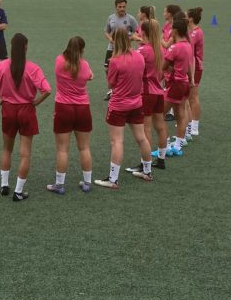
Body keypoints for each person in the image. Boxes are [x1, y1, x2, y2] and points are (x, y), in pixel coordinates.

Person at [0, 33, 51, 202]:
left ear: (11, 47)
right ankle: (18, 191)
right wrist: (36, 102)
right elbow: (47, 90)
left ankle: (4, 185)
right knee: (25, 153)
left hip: (8, 109)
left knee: (7, 149)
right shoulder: (33, 68)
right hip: (27, 109)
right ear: (26, 47)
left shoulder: (2, 66)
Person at [94, 28, 153, 189]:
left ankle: (113, 179)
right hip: (136, 103)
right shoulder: (140, 57)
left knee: (117, 142)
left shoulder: (115, 61)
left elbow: (111, 84)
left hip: (119, 105)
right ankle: (147, 171)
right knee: (142, 138)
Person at [46, 36, 94, 195]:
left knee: (62, 149)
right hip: (82, 109)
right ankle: (87, 182)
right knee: (84, 147)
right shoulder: (85, 65)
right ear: (82, 50)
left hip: (63, 108)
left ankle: (60, 184)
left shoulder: (59, 61)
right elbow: (89, 76)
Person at [130, 19, 168, 171]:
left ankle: (145, 163)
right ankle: (161, 159)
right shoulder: (160, 49)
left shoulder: (144, 50)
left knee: (146, 128)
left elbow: (131, 65)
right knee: (160, 126)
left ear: (143, 32)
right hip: (159, 92)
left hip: (147, 93)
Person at [163, 18, 194, 155]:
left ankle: (166, 145)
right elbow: (188, 66)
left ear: (175, 30)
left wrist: (169, 68)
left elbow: (163, 66)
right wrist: (191, 79)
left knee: (158, 114)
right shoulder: (188, 45)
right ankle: (178, 145)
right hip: (185, 83)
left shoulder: (175, 47)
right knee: (180, 114)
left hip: (175, 84)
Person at [103, 0, 138, 101]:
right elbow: (106, 31)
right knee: (107, 69)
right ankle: (110, 90)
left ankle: (123, 89)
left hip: (125, 48)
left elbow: (137, 31)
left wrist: (129, 39)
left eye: (124, 6)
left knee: (125, 69)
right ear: (116, 7)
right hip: (112, 48)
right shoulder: (111, 18)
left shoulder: (130, 19)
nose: (122, 9)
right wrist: (111, 39)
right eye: (120, 7)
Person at [187, 7, 204, 139]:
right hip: (190, 66)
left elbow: (191, 55)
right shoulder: (191, 31)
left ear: (191, 18)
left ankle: (194, 127)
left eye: (186, 16)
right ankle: (188, 123)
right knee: (188, 96)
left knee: (193, 96)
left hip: (195, 66)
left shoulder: (195, 33)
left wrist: (191, 75)